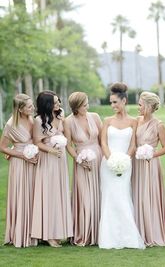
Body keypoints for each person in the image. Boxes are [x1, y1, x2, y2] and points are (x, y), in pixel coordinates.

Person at [98, 82, 145, 249]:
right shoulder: (107, 120)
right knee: (110, 197)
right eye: (110, 102)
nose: (112, 105)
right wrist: (111, 160)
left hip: (126, 163)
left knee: (123, 196)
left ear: (124, 101)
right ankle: (108, 237)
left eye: (115, 102)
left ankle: (128, 237)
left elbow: (133, 144)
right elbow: (103, 142)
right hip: (107, 164)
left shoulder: (134, 121)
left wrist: (125, 160)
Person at [31, 90, 73, 247]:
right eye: (55, 102)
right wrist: (51, 150)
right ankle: (47, 234)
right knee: (49, 194)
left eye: (59, 101)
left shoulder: (59, 117)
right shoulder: (38, 120)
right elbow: (38, 142)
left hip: (60, 161)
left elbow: (65, 137)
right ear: (47, 104)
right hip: (48, 160)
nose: (59, 104)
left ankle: (58, 231)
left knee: (59, 194)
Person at [132, 91, 165, 246]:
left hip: (150, 164)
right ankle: (137, 229)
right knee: (137, 194)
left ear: (148, 106)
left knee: (149, 195)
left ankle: (152, 230)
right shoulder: (136, 120)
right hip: (136, 163)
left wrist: (151, 154)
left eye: (140, 104)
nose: (138, 107)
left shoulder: (159, 125)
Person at [64, 91, 102, 246]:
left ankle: (100, 232)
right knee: (85, 196)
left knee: (100, 194)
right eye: (84, 104)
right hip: (82, 162)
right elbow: (68, 144)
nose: (87, 106)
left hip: (99, 159)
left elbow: (102, 140)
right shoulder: (68, 121)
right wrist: (78, 160)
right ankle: (84, 232)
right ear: (76, 107)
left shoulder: (95, 117)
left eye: (87, 103)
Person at [0, 94, 38, 247]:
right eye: (29, 107)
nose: (33, 108)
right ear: (20, 109)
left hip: (33, 161)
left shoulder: (31, 119)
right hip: (20, 164)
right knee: (22, 196)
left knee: (33, 196)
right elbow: (2, 147)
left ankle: (35, 232)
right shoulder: (11, 125)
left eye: (32, 105)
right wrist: (22, 155)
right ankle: (21, 233)